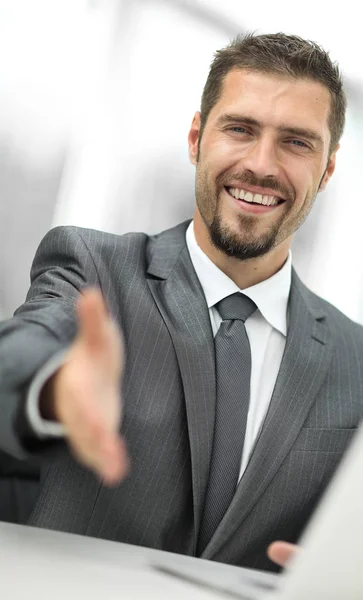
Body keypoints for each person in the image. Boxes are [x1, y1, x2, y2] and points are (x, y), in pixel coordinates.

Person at [0, 32, 362, 573]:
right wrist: (52, 389)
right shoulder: (93, 268)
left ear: (328, 169)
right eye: (240, 129)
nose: (261, 165)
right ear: (196, 138)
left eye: (296, 142)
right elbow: (15, 357)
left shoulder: (354, 359)